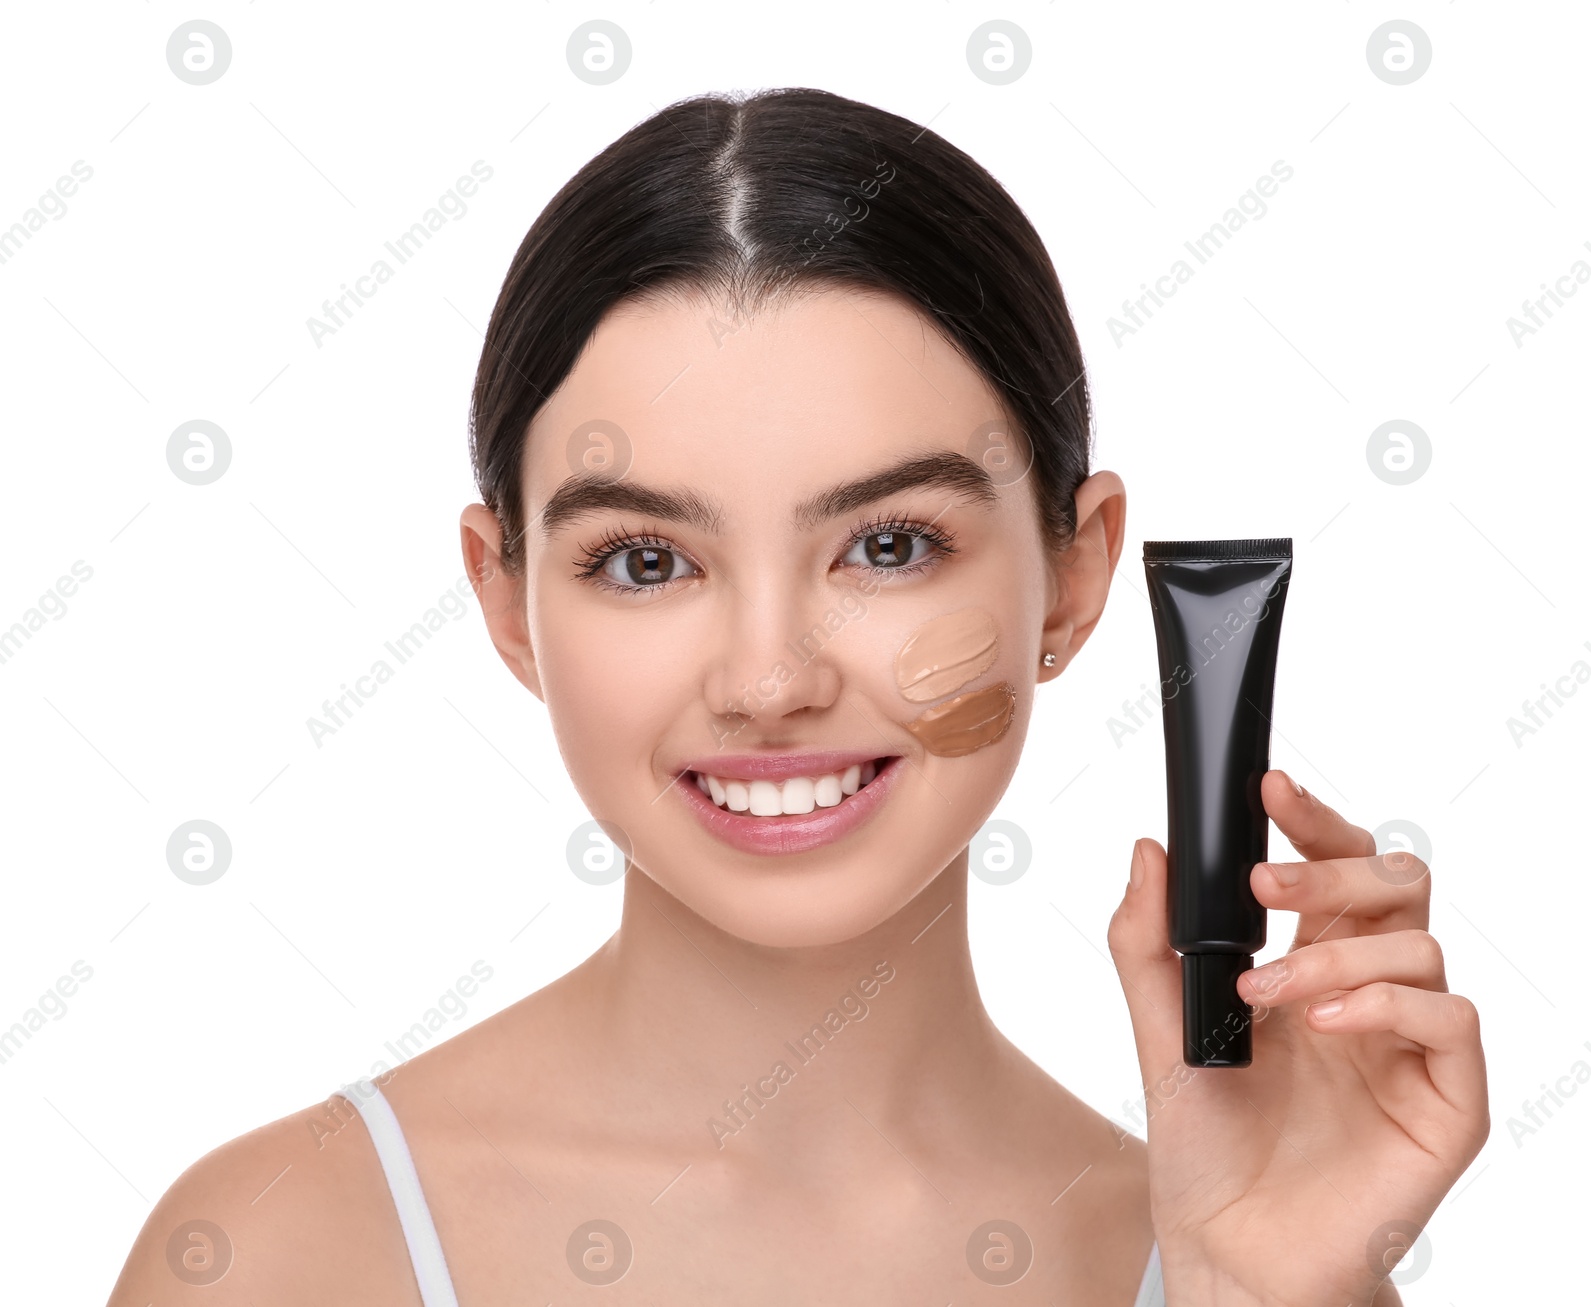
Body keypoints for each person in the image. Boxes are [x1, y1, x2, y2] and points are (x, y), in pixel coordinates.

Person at [109, 87, 1489, 1305]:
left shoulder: (1219, 1251)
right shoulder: (282, 1256)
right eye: (646, 561)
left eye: (888, 547)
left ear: (1074, 578)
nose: (770, 681)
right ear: (503, 596)